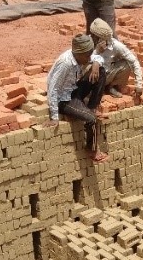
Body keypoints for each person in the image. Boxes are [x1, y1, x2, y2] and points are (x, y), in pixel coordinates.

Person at [44, 34, 108, 163]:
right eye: (87, 55)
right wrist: (54, 117)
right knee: (91, 119)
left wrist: (95, 62)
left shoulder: (80, 56)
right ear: (79, 53)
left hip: (73, 89)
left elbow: (97, 57)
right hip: (64, 99)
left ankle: (92, 107)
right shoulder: (65, 63)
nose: (89, 58)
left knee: (100, 71)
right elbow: (53, 88)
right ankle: (92, 149)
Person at [89, 18, 143, 101]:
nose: (92, 37)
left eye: (95, 37)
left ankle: (111, 87)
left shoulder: (116, 45)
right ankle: (90, 91)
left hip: (107, 75)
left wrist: (139, 84)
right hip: (91, 77)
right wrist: (97, 51)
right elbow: (81, 61)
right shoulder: (87, 42)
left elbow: (134, 61)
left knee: (126, 64)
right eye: (92, 35)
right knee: (87, 68)